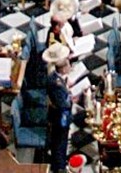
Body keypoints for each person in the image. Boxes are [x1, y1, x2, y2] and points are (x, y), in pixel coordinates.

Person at [43, 45, 74, 173]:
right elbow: (63, 104)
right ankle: (59, 167)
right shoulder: (56, 83)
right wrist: (71, 98)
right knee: (60, 143)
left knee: (60, 142)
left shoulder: (57, 78)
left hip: (57, 114)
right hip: (59, 117)